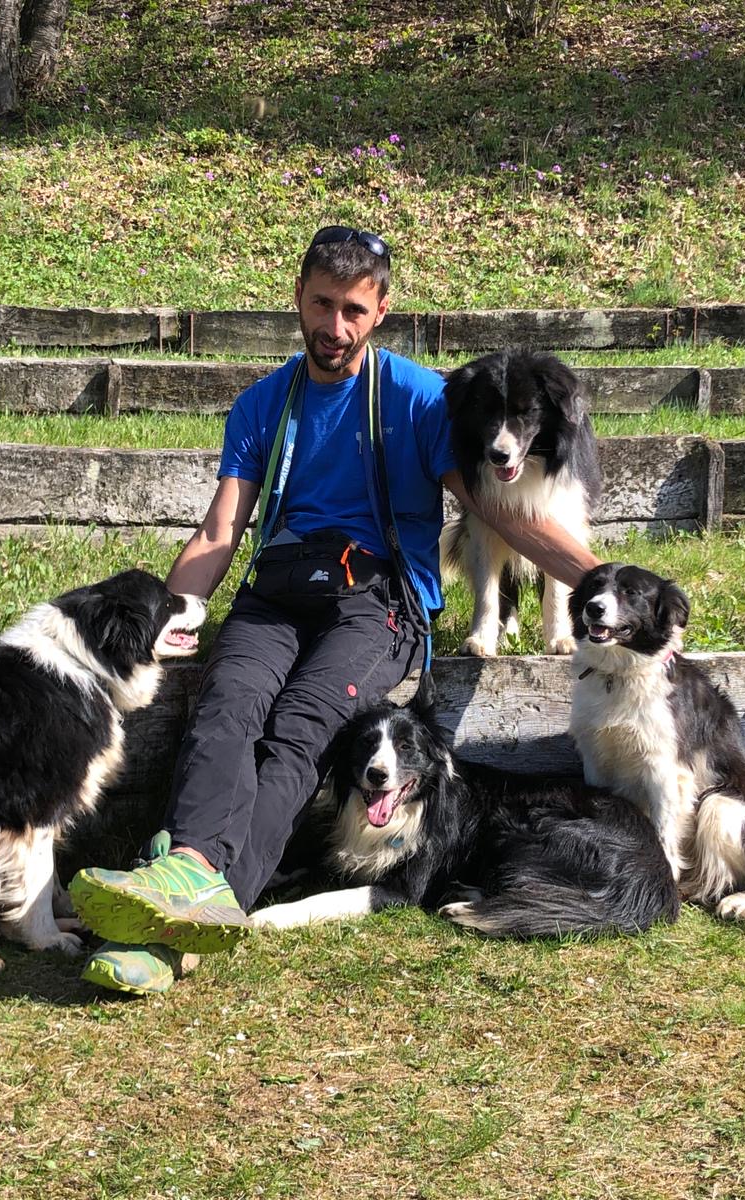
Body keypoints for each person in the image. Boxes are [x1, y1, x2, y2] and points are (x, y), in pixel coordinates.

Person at [69, 226, 601, 994]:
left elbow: (506, 516)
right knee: (226, 707)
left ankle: (177, 918)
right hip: (276, 591)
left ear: (381, 309)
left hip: (378, 599)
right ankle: (188, 885)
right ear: (299, 297)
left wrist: (605, 586)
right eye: (322, 304)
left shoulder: (419, 400)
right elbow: (222, 529)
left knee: (302, 726)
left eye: (354, 309)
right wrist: (173, 611)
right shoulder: (263, 405)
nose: (335, 327)